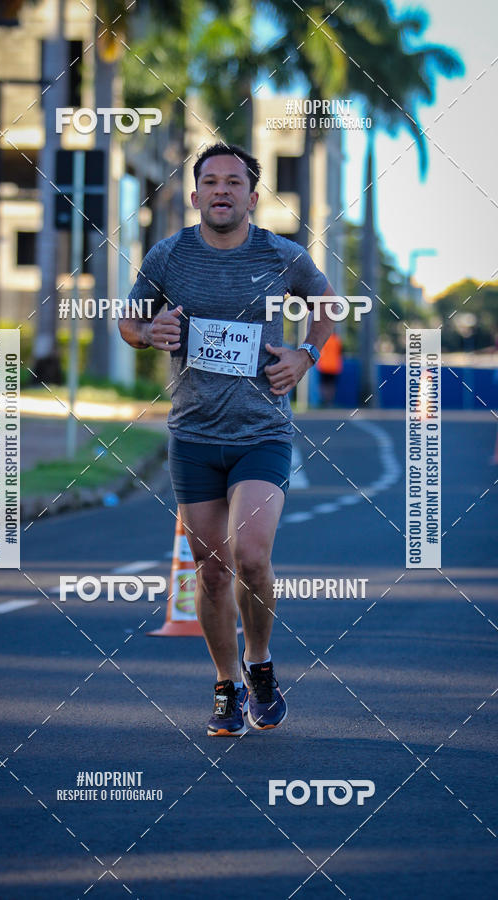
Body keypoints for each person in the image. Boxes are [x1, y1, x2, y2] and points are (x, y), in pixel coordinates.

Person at [119, 143, 337, 736]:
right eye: (210, 181)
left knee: (251, 556)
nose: (221, 190)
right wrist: (148, 330)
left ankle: (260, 663)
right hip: (192, 436)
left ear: (251, 196)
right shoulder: (168, 256)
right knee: (211, 571)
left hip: (261, 432)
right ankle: (227, 687)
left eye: (233, 182)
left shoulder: (281, 254)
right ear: (194, 196)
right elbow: (129, 320)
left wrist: (305, 354)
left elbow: (328, 306)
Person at [317, 331, 343, 406]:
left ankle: (324, 400)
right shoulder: (337, 340)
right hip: (334, 366)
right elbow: (340, 352)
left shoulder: (324, 340)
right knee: (331, 385)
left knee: (324, 384)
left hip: (324, 365)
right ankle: (329, 401)